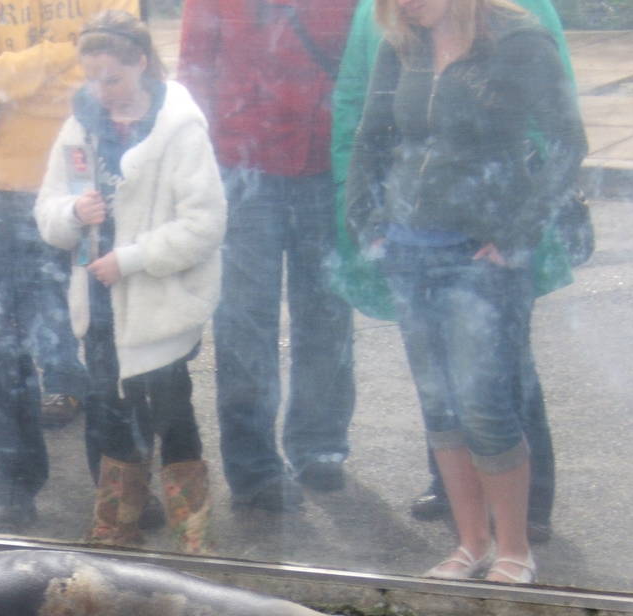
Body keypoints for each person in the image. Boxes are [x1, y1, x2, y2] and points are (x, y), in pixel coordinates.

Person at [344, 0, 586, 585]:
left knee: (486, 406)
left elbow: (567, 144)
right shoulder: (401, 43)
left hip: (481, 256)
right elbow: (372, 137)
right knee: (440, 407)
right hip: (407, 248)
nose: (403, 3)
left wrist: (516, 232)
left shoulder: (518, 41)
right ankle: (470, 543)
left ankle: (514, 550)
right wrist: (366, 218)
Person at [0, 0, 139, 531]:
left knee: (107, 339)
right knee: (3, 348)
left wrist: (21, 80)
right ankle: (15, 480)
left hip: (89, 188)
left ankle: (118, 481)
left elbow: (113, 71)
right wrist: (62, 54)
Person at [36, 12, 226, 553]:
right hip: (99, 304)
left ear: (142, 63)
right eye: (91, 78)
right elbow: (47, 212)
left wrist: (134, 258)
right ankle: (118, 526)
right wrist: (74, 210)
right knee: (111, 411)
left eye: (112, 78)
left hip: (158, 304)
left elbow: (206, 223)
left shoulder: (179, 129)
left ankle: (194, 533)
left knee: (171, 410)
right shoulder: (79, 126)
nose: (101, 91)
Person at [178, 0, 359, 514]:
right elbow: (192, 77)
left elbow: (365, 62)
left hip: (325, 165)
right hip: (242, 170)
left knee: (327, 317)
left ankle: (320, 445)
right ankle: (254, 467)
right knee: (243, 327)